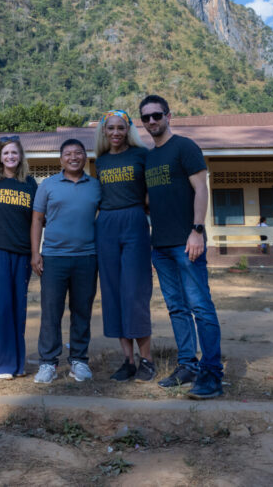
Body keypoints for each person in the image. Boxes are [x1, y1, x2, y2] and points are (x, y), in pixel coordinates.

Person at [140, 94, 224, 399]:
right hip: (160, 246)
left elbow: (201, 188)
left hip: (186, 243)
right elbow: (151, 198)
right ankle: (187, 365)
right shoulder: (149, 157)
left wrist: (197, 230)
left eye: (157, 115)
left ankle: (212, 374)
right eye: (146, 117)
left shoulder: (185, 147)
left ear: (168, 116)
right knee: (176, 308)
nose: (152, 121)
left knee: (200, 307)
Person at [30, 138, 102, 384]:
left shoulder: (95, 186)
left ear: (85, 157)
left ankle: (79, 360)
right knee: (51, 312)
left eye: (78, 153)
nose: (73, 157)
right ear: (61, 159)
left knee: (82, 311)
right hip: (53, 258)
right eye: (68, 153)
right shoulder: (48, 185)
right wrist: (35, 253)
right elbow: (37, 220)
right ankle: (48, 363)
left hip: (87, 257)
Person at [94, 110, 156, 383]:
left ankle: (147, 360)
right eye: (111, 128)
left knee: (135, 292)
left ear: (128, 129)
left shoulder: (141, 155)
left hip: (134, 220)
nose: (116, 132)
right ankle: (128, 361)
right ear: (104, 131)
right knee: (113, 292)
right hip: (106, 224)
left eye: (121, 127)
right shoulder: (101, 160)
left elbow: (151, 189)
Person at [0, 135, 38, 380]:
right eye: (6, 153)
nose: (10, 156)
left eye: (14, 152)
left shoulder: (30, 183)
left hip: (22, 253)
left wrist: (35, 252)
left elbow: (37, 219)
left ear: (20, 156)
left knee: (17, 308)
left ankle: (17, 364)